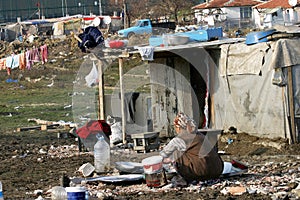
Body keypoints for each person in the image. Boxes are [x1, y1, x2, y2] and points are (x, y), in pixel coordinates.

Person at [159, 112, 224, 186]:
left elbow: (163, 155)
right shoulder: (200, 135)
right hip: (218, 170)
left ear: (179, 127)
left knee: (176, 151)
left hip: (201, 173)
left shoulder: (180, 139)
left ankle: (188, 176)